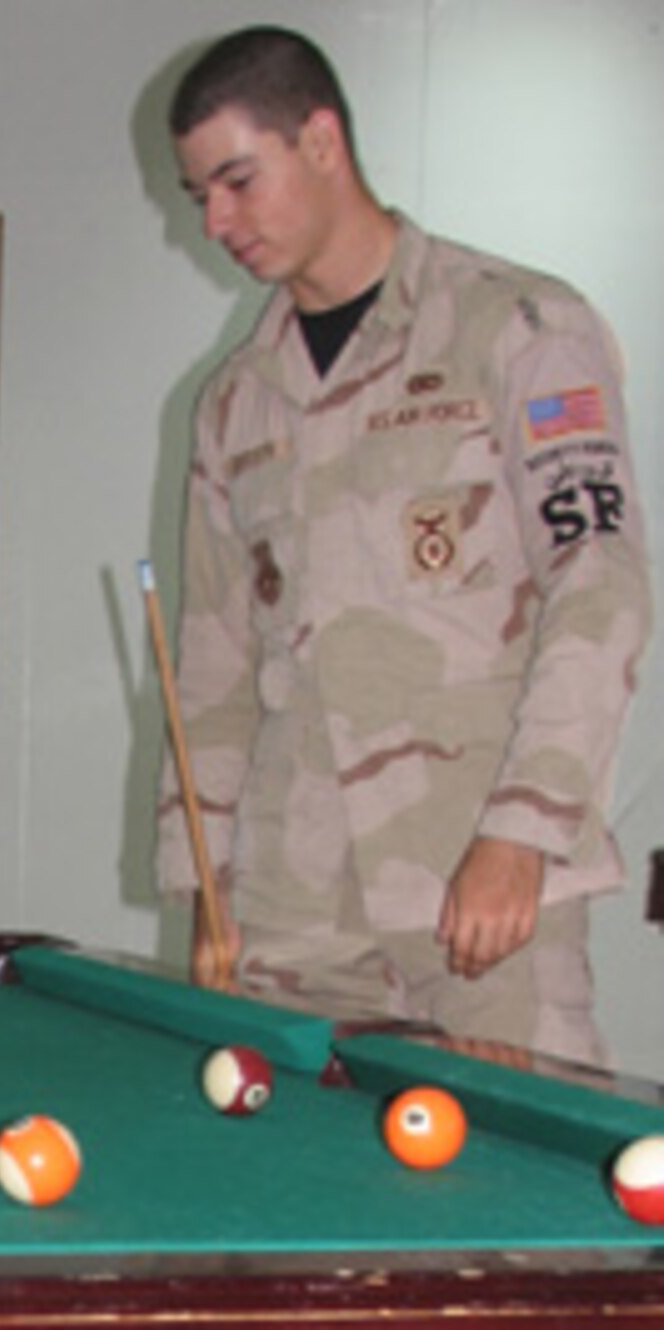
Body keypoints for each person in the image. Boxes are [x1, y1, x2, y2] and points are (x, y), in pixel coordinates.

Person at [155, 26, 651, 1063]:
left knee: (513, 1217)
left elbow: (597, 586)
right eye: (198, 193)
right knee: (286, 1202)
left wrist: (524, 828)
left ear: (322, 140)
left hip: (477, 889)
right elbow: (209, 669)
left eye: (237, 181)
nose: (213, 221)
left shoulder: (513, 327)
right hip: (292, 908)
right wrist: (203, 887)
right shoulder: (234, 402)